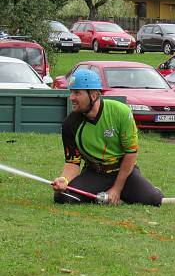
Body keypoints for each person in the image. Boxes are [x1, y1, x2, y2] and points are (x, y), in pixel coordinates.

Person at [51, 70, 163, 206]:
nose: (71, 98)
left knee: (154, 199)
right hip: (95, 173)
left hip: (123, 172)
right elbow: (72, 163)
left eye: (77, 93)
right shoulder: (70, 124)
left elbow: (131, 153)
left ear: (93, 95)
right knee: (62, 197)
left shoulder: (121, 112)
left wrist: (117, 189)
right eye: (71, 92)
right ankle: (106, 194)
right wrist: (64, 180)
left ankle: (132, 191)